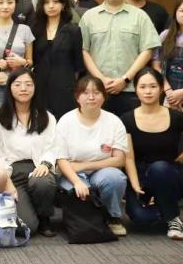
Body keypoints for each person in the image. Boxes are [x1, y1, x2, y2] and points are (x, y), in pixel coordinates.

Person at [121, 68, 183, 240]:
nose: (148, 91)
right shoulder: (127, 119)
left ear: (161, 88)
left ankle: (173, 219)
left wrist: (179, 161)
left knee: (160, 168)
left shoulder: (177, 117)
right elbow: (129, 157)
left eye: (153, 86)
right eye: (142, 87)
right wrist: (135, 185)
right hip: (142, 178)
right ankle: (164, 207)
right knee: (139, 216)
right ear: (136, 89)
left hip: (170, 175)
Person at [0, 68, 59, 237]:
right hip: (13, 173)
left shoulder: (47, 117)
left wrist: (46, 164)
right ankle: (31, 211)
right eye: (17, 84)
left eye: (28, 84)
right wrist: (7, 179)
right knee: (27, 227)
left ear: (35, 87)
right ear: (9, 88)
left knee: (43, 182)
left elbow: (53, 146)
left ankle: (45, 217)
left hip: (38, 168)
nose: (23, 89)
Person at [79, 0, 161, 115]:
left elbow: (148, 50)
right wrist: (101, 79)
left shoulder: (140, 16)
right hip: (97, 90)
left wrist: (125, 79)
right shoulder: (89, 17)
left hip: (131, 90)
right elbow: (84, 50)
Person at [54, 75, 129, 236]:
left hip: (101, 171)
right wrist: (77, 181)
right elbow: (61, 159)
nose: (91, 97)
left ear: (104, 96)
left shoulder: (114, 121)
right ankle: (87, 221)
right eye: (86, 93)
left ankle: (113, 217)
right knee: (78, 192)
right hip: (71, 173)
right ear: (77, 97)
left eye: (96, 92)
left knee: (115, 178)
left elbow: (119, 160)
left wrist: (85, 165)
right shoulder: (66, 121)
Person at [30, 0, 84, 119]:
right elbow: (32, 60)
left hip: (65, 89)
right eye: (46, 2)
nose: (51, 6)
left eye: (55, 1)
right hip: (40, 87)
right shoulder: (35, 29)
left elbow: (79, 65)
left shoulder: (73, 30)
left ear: (63, 5)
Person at [0, 0, 35, 108]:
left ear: (15, 5)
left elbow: (30, 61)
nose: (5, 6)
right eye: (0, 2)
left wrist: (22, 62)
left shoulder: (25, 30)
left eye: (9, 2)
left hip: (20, 87)